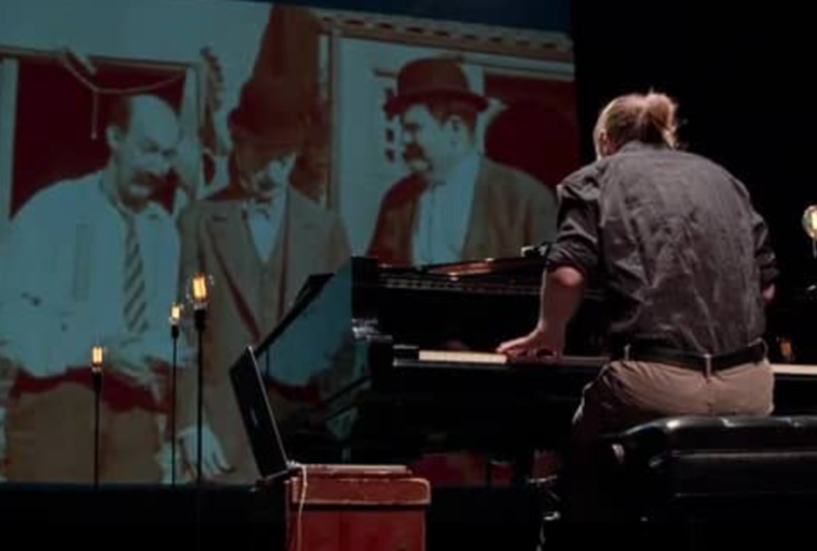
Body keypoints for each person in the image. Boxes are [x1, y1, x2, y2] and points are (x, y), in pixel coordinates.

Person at [498, 92, 779, 523]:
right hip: (751, 388)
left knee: (566, 459)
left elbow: (567, 275)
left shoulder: (595, 178)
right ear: (664, 135)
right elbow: (766, 290)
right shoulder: (726, 180)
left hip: (655, 384)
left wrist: (548, 331)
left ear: (606, 141)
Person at [0, 93, 204, 483]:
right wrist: (96, 354)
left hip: (134, 416)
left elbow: (160, 321)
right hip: (59, 407)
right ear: (114, 138)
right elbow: (8, 324)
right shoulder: (54, 210)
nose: (158, 168)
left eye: (167, 155)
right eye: (148, 150)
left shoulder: (162, 233)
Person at [177, 76, 351, 484]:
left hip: (304, 435)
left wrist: (338, 428)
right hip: (221, 438)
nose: (273, 173)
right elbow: (185, 332)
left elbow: (345, 338)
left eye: (284, 158)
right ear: (237, 143)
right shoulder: (198, 223)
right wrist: (190, 424)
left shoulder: (326, 229)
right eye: (261, 155)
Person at [368, 57, 557, 266]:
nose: (403, 139)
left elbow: (551, 286)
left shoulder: (526, 200)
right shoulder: (396, 202)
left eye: (413, 128)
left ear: (455, 129)